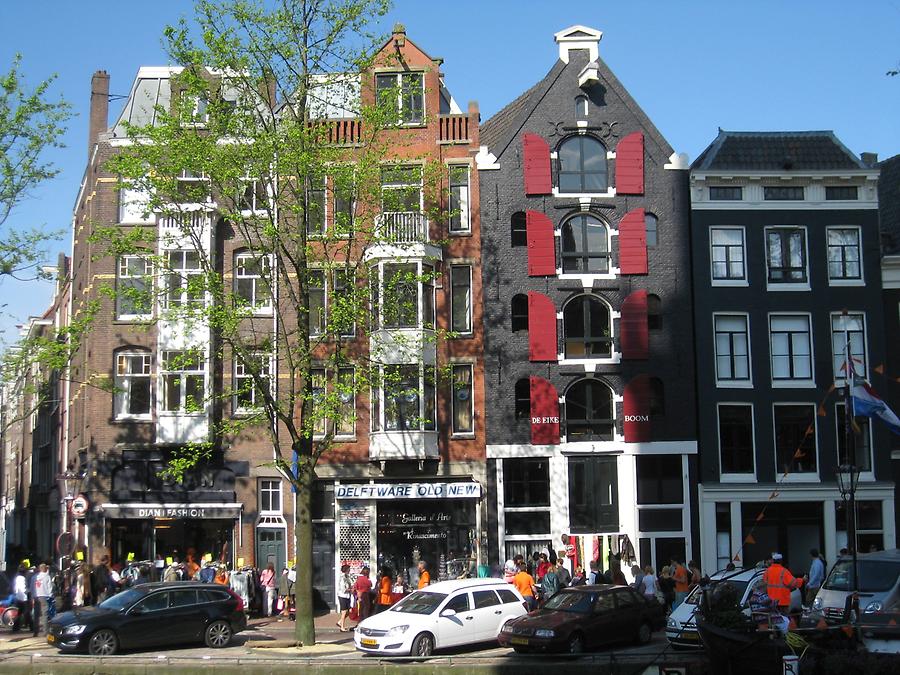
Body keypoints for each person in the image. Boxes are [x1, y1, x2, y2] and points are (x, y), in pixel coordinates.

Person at [32, 563, 52, 637]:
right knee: (45, 615)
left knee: (36, 615)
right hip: (44, 596)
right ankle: (45, 632)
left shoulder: (34, 577)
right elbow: (50, 587)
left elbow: (32, 587)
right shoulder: (47, 577)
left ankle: (35, 631)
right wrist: (50, 595)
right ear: (45, 569)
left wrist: (33, 596)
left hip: (36, 596)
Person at [10, 565, 28, 632]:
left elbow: (15, 587)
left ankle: (15, 628)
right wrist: (28, 591)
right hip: (23, 598)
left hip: (17, 597)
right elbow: (24, 588)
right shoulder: (22, 578)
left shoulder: (16, 577)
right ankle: (30, 626)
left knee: (18, 613)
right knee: (26, 612)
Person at [336, 563, 352, 631]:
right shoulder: (342, 577)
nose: (350, 570)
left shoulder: (347, 576)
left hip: (347, 596)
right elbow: (343, 588)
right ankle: (342, 627)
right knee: (344, 611)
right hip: (343, 595)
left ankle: (340, 622)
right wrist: (350, 589)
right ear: (346, 570)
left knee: (349, 611)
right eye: (349, 569)